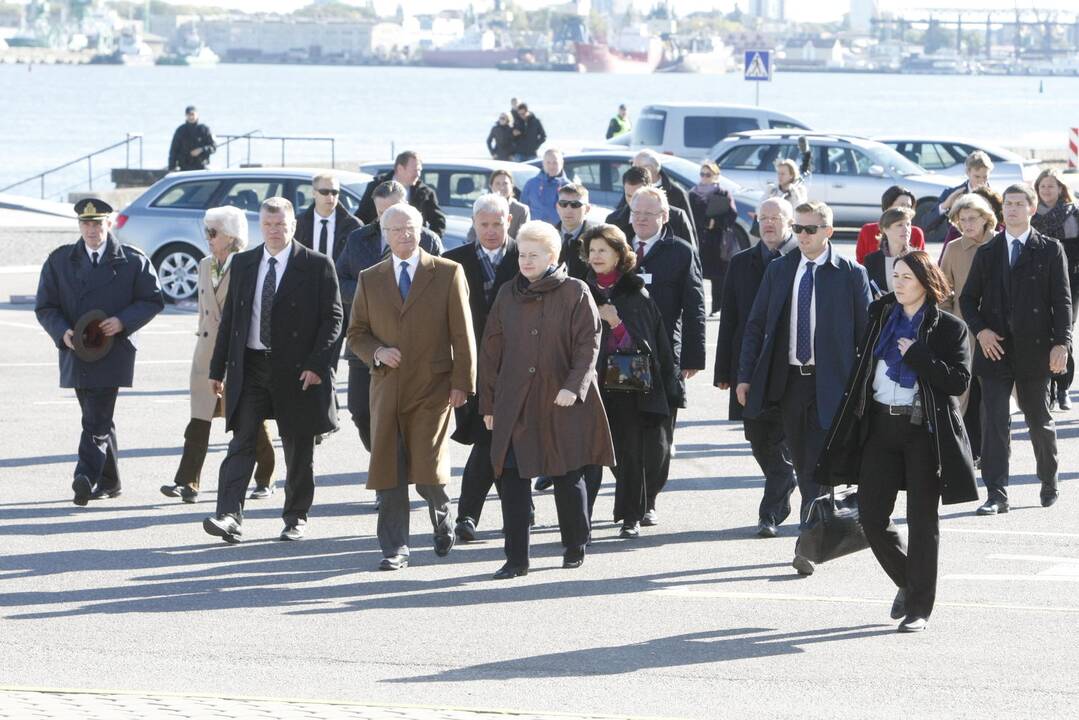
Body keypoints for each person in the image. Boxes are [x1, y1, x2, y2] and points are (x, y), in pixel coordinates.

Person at [816, 250, 977, 633]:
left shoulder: (948, 328)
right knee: (871, 518)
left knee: (923, 522)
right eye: (895, 276)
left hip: (923, 433)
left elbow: (958, 382)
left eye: (906, 277)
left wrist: (920, 356)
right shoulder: (880, 318)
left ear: (925, 281)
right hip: (880, 429)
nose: (898, 283)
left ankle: (919, 607)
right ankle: (910, 581)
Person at [737, 200, 871, 576]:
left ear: (829, 231)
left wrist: (864, 387)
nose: (803, 235)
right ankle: (815, 535)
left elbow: (866, 336)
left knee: (817, 465)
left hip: (833, 384)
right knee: (803, 461)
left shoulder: (850, 273)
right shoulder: (780, 270)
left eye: (810, 229)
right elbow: (756, 324)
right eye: (797, 228)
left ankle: (807, 541)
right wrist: (745, 376)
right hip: (790, 382)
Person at [203, 197, 343, 544]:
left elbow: (334, 319)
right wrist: (217, 368)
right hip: (250, 367)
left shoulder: (316, 265)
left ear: (293, 226)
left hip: (297, 372)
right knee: (242, 441)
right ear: (260, 226)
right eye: (268, 225)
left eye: (281, 225)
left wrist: (317, 365)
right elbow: (231, 320)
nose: (275, 231)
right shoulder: (245, 263)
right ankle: (229, 515)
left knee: (297, 448)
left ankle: (295, 516)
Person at [479, 221, 615, 578]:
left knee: (566, 474)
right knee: (510, 477)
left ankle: (574, 544)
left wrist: (575, 386)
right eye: (522, 254)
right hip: (514, 400)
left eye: (533, 255)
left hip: (561, 398)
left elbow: (589, 344)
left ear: (552, 257)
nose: (525, 261)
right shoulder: (508, 292)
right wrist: (489, 404)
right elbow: (491, 349)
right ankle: (517, 558)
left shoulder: (576, 291)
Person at [347, 203, 476, 571]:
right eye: (397, 229)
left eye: (411, 228)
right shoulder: (370, 278)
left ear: (422, 231)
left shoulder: (448, 272)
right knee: (389, 470)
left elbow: (463, 334)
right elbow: (356, 333)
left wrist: (462, 384)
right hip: (387, 388)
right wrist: (378, 351)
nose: (405, 235)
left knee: (427, 466)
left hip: (433, 388)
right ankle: (395, 548)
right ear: (384, 234)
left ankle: (442, 517)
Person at [35, 198, 165, 506]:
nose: (92, 230)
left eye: (98, 223)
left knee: (97, 415)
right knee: (96, 415)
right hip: (76, 350)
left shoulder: (132, 260)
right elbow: (45, 306)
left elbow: (153, 299)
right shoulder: (60, 260)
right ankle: (110, 481)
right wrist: (61, 332)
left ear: (110, 223)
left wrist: (123, 321)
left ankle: (85, 475)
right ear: (79, 225)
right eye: (86, 224)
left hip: (113, 351)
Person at [959, 183, 1071, 515]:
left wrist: (1061, 344)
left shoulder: (1049, 250)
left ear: (1032, 209)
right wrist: (981, 332)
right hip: (994, 352)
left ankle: (1049, 478)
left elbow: (1062, 303)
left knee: (1038, 420)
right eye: (1008, 203)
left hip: (1036, 350)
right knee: (993, 421)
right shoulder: (989, 251)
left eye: (1020, 203)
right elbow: (967, 299)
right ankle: (997, 493)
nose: (1012, 209)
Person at [161, 206, 275, 504]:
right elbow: (203, 313)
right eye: (206, 231)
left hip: (236, 355)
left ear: (231, 236)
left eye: (213, 232)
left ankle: (265, 476)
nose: (207, 237)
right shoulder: (203, 264)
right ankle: (187, 481)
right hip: (205, 354)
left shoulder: (247, 265)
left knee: (248, 421)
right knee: (199, 418)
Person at [583, 224, 680, 537]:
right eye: (592, 250)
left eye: (603, 250)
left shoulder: (634, 292)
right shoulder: (579, 289)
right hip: (588, 381)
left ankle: (631, 515)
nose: (596, 256)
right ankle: (579, 518)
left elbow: (648, 344)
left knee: (630, 452)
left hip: (627, 382)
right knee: (586, 453)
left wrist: (615, 323)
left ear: (618, 256)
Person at [338, 181, 443, 455]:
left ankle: (395, 474)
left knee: (409, 416)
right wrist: (370, 293)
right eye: (381, 212)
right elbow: (339, 280)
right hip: (366, 341)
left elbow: (442, 288)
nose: (387, 218)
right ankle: (386, 463)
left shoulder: (428, 240)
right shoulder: (358, 238)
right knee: (361, 412)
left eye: (393, 209)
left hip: (413, 345)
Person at [714, 198, 798, 537]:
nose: (768, 224)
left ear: (789, 222)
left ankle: (771, 512)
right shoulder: (742, 262)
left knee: (784, 436)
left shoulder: (800, 261)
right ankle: (784, 478)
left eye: (775, 218)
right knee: (757, 437)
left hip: (789, 367)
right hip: (749, 366)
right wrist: (724, 372)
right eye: (762, 218)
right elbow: (730, 318)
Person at [627, 186, 706, 524]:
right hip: (623, 356)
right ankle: (632, 496)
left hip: (663, 357)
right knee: (628, 431)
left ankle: (649, 499)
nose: (641, 219)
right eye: (636, 213)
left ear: (663, 217)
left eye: (649, 214)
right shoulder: (617, 248)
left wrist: (692, 357)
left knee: (659, 434)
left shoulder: (680, 252)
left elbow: (695, 306)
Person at [445, 194, 522, 541]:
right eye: (483, 224)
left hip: (520, 367)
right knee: (486, 437)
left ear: (509, 221)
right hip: (473, 367)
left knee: (505, 439)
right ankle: (514, 511)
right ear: (473, 225)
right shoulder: (453, 263)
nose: (490, 231)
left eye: (497, 223)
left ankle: (470, 515)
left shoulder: (527, 256)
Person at [939, 193, 998, 469]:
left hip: (997, 333)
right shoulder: (952, 249)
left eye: (972, 218)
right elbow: (942, 291)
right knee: (967, 395)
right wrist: (951, 321)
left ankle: (995, 453)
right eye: (961, 220)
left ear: (986, 218)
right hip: (964, 333)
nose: (967, 224)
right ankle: (972, 452)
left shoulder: (1000, 244)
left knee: (994, 396)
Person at [1031, 168, 1079, 411]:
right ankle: (1047, 388)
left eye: (1051, 185)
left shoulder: (1074, 214)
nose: (1047, 190)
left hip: (1070, 283)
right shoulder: (1030, 216)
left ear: (1061, 188)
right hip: (1036, 283)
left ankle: (1063, 388)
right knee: (1041, 333)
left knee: (1063, 333)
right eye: (1042, 186)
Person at [688, 161, 741, 315]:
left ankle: (717, 307)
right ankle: (698, 309)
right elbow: (688, 215)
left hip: (718, 240)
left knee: (718, 277)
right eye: (702, 174)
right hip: (699, 239)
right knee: (697, 276)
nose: (704, 177)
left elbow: (732, 215)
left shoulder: (722, 193)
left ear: (716, 176)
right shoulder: (692, 193)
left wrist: (716, 223)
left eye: (708, 174)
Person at [357, 151, 446, 237]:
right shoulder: (375, 187)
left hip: (410, 245)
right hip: (379, 245)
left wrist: (427, 242)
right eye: (415, 170)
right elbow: (361, 216)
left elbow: (439, 222)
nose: (418, 174)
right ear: (400, 168)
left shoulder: (425, 193)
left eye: (419, 170)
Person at [607, 167, 697, 248]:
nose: (633, 201)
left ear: (650, 188)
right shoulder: (613, 220)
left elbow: (691, 253)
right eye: (629, 196)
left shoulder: (677, 217)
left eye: (638, 195)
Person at [932, 150, 994, 250]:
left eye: (985, 177)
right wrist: (946, 205)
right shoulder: (952, 193)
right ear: (968, 173)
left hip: (988, 248)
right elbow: (927, 224)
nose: (981, 181)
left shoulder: (994, 197)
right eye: (977, 176)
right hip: (958, 248)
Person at [294, 172, 362, 264]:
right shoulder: (298, 223)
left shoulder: (353, 225)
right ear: (314, 193)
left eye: (334, 192)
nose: (330, 197)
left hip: (339, 277)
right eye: (324, 192)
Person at [854, 186, 927, 264]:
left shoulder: (916, 233)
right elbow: (861, 264)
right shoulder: (868, 230)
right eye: (902, 205)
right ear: (887, 208)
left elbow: (921, 265)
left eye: (909, 206)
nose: (906, 210)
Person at [632, 149, 694, 230]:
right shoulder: (633, 188)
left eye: (636, 168)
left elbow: (687, 228)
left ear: (649, 168)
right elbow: (622, 215)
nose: (633, 172)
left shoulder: (676, 193)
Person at [863, 207, 915, 296]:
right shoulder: (871, 260)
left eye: (908, 224)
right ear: (885, 229)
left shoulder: (917, 258)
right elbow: (866, 292)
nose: (906, 229)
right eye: (899, 225)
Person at [555, 182, 596, 280]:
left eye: (575, 205)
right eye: (563, 204)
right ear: (557, 207)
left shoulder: (596, 239)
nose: (568, 209)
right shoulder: (547, 236)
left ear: (587, 209)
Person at [521, 148, 570, 226]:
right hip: (534, 230)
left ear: (562, 163)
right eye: (548, 162)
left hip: (558, 231)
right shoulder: (531, 184)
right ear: (543, 163)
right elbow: (523, 210)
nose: (551, 166)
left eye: (555, 163)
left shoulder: (568, 187)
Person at [168, 105, 216, 172]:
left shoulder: (204, 129)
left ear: (197, 115)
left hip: (201, 167)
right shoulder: (180, 130)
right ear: (186, 116)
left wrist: (202, 149)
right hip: (184, 167)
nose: (191, 117)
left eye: (192, 114)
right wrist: (171, 167)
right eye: (188, 115)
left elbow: (213, 147)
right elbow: (173, 150)